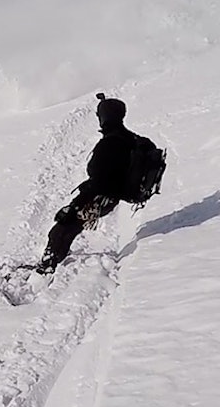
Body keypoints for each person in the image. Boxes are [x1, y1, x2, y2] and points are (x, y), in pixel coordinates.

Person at [37, 93, 144, 274]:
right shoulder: (132, 139)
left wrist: (74, 206)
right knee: (72, 225)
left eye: (99, 115)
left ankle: (46, 267)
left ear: (105, 117)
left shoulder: (110, 143)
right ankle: (56, 257)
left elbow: (99, 182)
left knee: (62, 227)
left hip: (101, 197)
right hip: (112, 196)